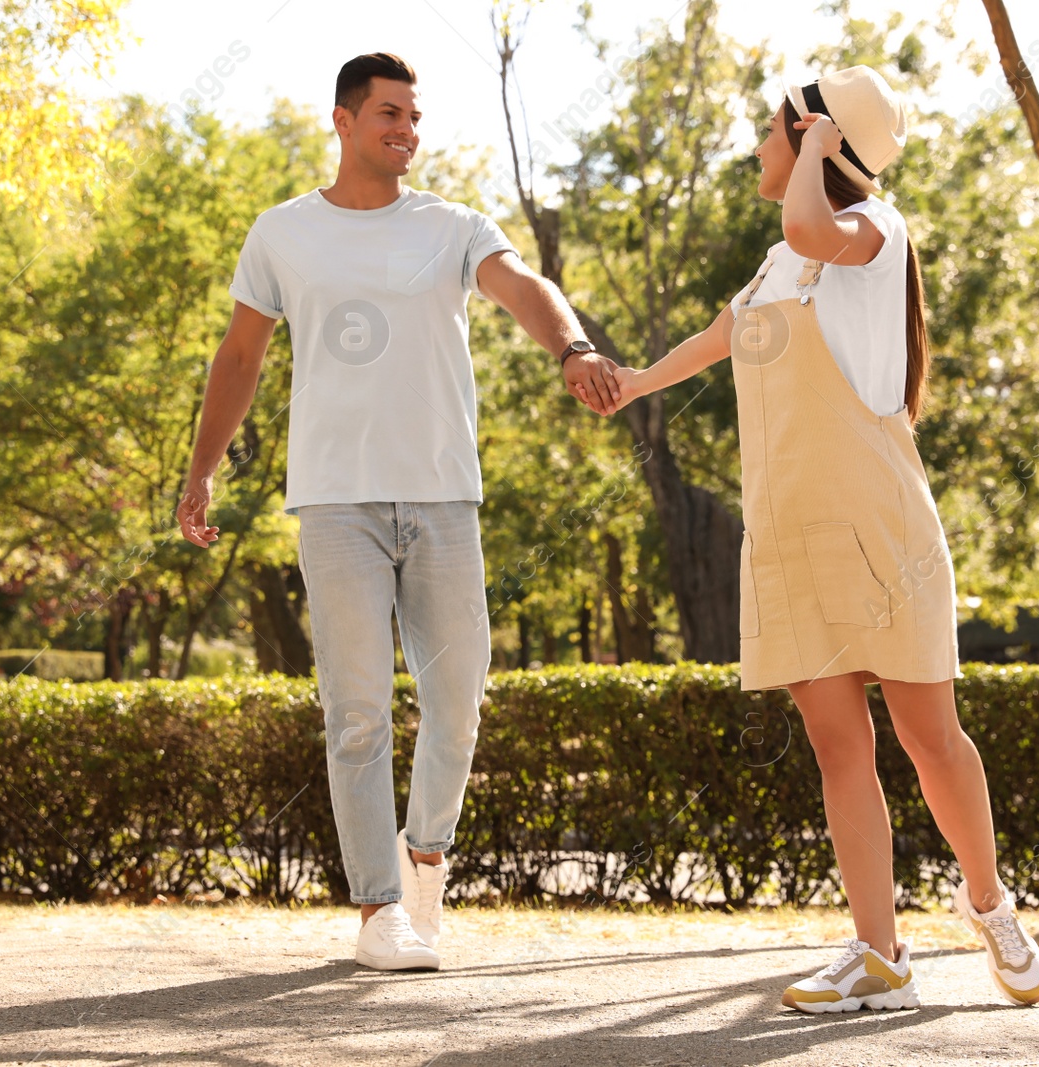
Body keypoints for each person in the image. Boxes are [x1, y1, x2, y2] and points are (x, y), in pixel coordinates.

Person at [582, 66, 1039, 1012]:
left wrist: (820, 147)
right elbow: (727, 332)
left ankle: (992, 905)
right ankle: (878, 952)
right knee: (840, 744)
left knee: (928, 734)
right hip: (787, 522)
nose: (758, 148)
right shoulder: (777, 260)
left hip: (878, 519)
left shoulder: (877, 229)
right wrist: (634, 382)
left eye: (772, 132)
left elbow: (812, 226)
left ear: (812, 139)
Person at [177, 52, 620, 972]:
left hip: (444, 495)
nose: (406, 131)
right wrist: (202, 468)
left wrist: (572, 345)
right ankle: (378, 908)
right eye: (388, 114)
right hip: (336, 502)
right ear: (342, 121)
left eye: (414, 116)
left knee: (457, 703)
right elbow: (240, 359)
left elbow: (523, 286)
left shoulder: (454, 226)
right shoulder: (282, 233)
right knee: (357, 710)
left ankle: (426, 860)